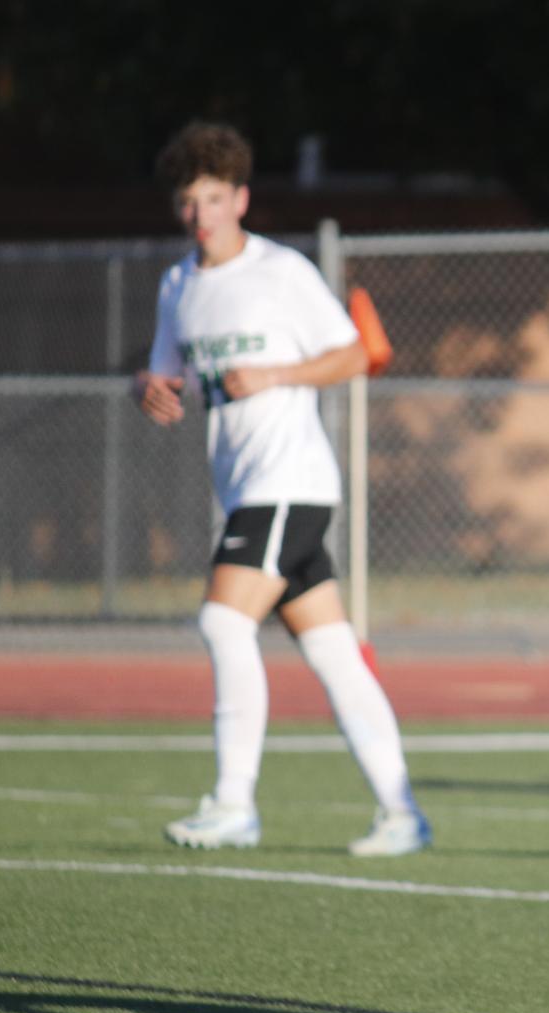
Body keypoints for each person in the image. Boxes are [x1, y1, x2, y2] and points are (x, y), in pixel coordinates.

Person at [133, 121, 430, 858]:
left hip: (288, 483)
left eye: (211, 197)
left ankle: (233, 803)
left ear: (239, 198)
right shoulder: (178, 285)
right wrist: (147, 388)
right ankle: (402, 813)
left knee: (222, 623)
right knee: (332, 652)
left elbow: (356, 353)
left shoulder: (280, 272)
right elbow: (164, 374)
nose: (199, 213)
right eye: (187, 201)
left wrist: (274, 374)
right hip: (244, 491)